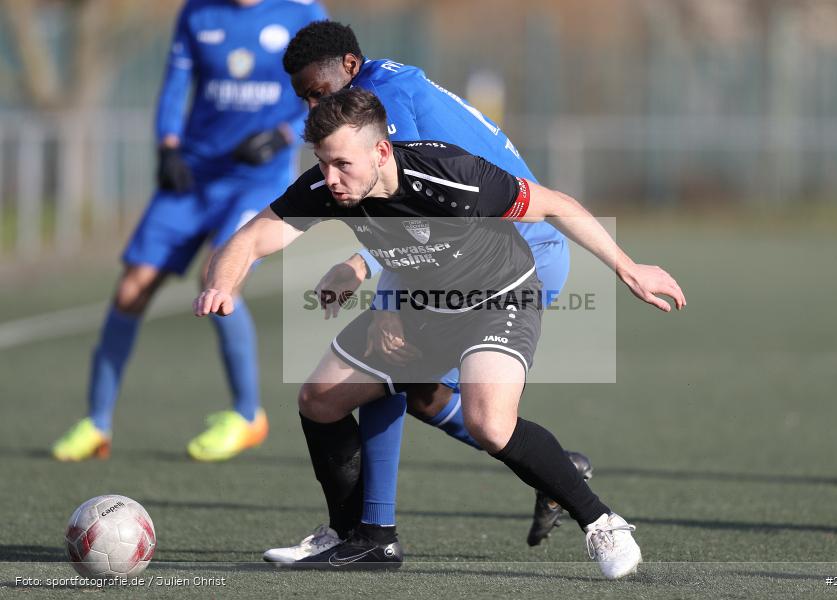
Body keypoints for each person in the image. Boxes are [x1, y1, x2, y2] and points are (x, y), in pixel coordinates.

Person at [194, 88, 686, 577]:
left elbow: (557, 205)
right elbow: (251, 237)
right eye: (322, 163)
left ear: (381, 151)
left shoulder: (452, 175)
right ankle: (358, 540)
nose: (331, 178)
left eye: (342, 164)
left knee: (489, 423)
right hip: (422, 305)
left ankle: (602, 522)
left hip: (498, 298)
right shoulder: (326, 186)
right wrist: (222, 284)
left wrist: (629, 268)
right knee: (319, 400)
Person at [262, 20, 589, 558]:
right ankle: (555, 471)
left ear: (349, 67)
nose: (313, 107)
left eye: (318, 92)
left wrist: (370, 277)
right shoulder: (383, 85)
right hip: (480, 251)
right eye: (305, 99)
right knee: (416, 389)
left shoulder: (383, 99)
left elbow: (414, 211)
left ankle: (374, 537)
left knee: (386, 364)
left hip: (512, 253)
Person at [51, 0, 328, 462]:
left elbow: (330, 93)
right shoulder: (197, 12)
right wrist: (167, 147)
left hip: (257, 180)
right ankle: (96, 423)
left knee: (217, 276)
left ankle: (247, 415)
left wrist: (284, 135)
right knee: (131, 289)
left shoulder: (302, 12)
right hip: (194, 174)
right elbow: (175, 84)